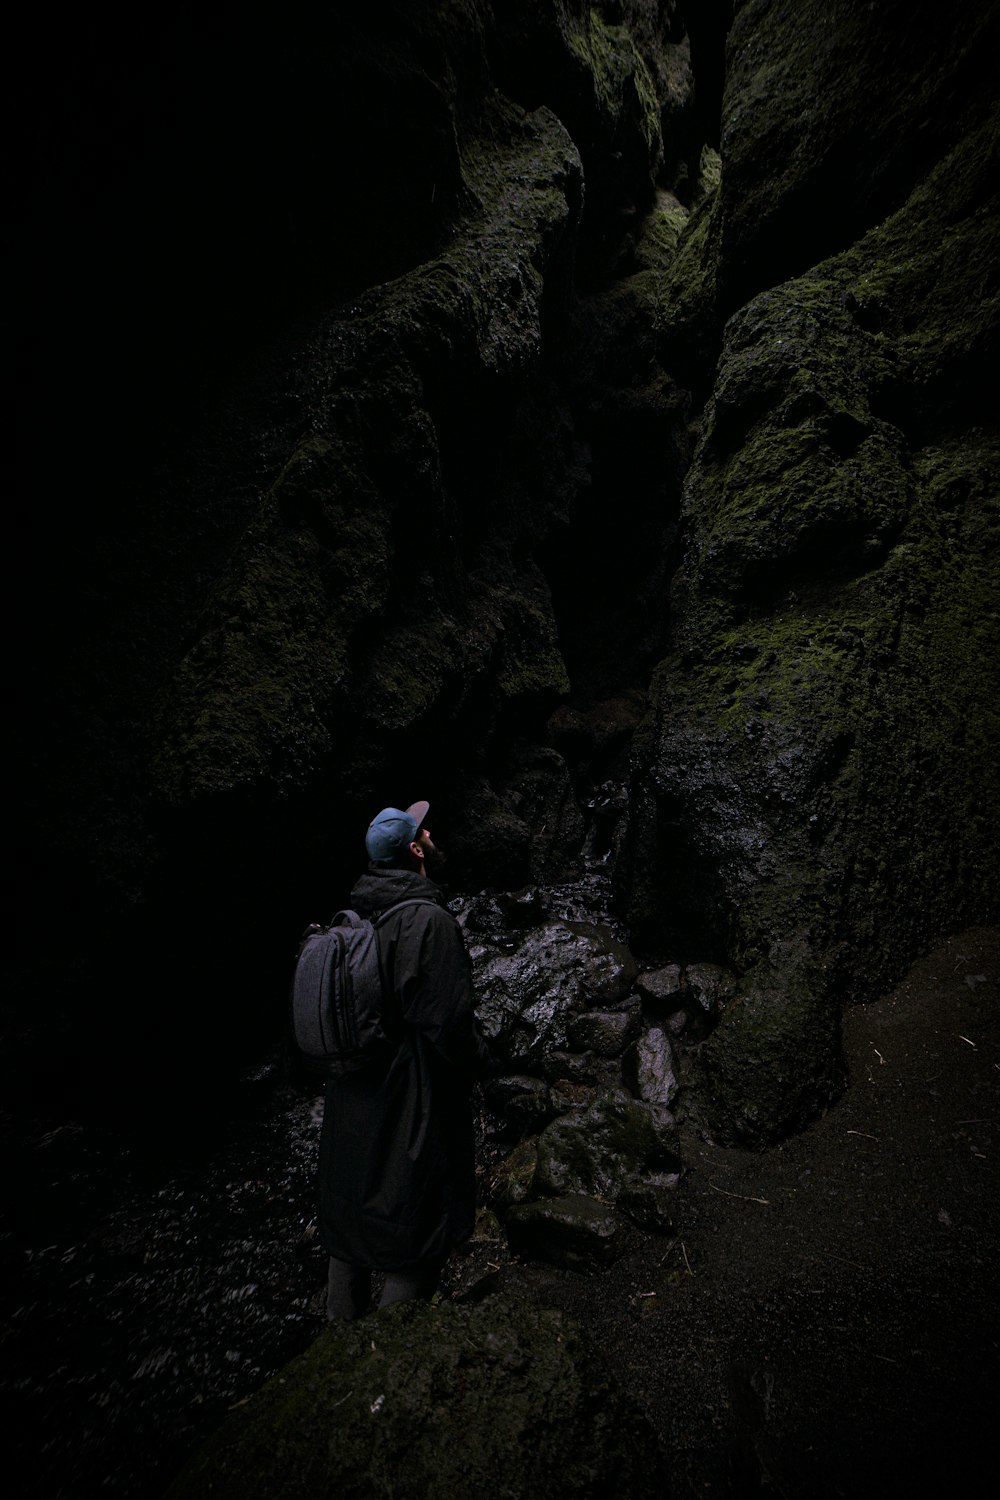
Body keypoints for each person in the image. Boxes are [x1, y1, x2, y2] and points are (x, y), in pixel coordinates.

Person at [318, 799, 497, 1319]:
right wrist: (489, 1062)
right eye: (425, 831)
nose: (432, 833)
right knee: (412, 1237)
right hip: (407, 1106)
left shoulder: (353, 914)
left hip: (350, 1104)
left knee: (351, 1230)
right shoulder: (427, 921)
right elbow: (449, 1026)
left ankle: (336, 1352)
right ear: (416, 849)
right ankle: (391, 1364)